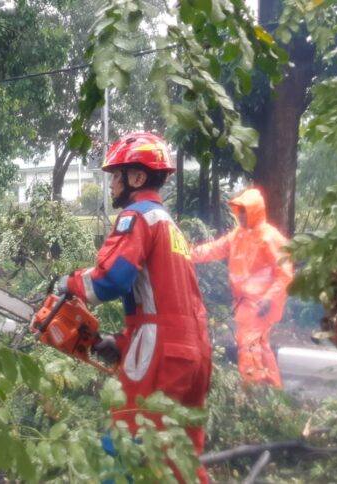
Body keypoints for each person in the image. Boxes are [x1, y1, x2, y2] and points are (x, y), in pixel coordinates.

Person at [59, 133, 212, 483]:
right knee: (180, 452)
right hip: (196, 350)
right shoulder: (169, 225)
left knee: (128, 439)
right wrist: (123, 342)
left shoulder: (137, 216)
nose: (112, 184)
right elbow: (167, 303)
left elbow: (111, 281)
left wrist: (68, 283)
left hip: (162, 349)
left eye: (117, 175)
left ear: (138, 178)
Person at [190, 187, 293, 389]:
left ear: (254, 211)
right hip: (246, 303)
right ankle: (272, 390)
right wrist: (187, 254)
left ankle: (251, 393)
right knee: (259, 346)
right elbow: (215, 248)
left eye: (244, 211)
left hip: (262, 304)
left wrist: (269, 298)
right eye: (240, 211)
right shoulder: (238, 235)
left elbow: (285, 273)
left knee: (248, 345)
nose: (241, 216)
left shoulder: (270, 238)